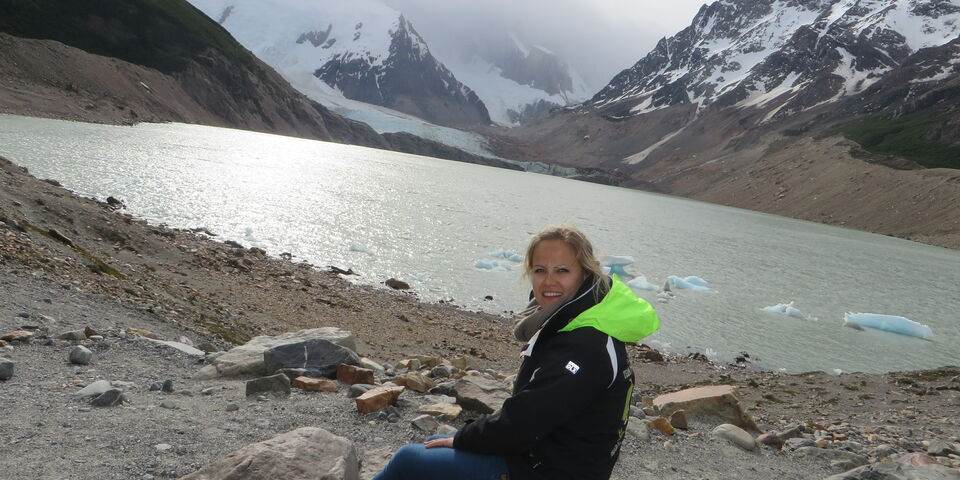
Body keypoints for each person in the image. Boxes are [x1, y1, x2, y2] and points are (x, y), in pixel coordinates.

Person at [373, 225, 660, 480]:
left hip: (545, 471)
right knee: (436, 443)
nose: (549, 282)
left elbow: (523, 423)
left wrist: (464, 437)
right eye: (540, 270)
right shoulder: (577, 321)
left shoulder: (585, 344)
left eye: (562, 270)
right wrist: (464, 439)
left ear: (585, 274)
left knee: (410, 460)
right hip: (546, 459)